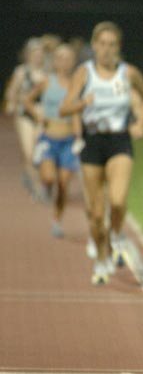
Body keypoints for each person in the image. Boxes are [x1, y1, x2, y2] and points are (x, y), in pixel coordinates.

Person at [60, 21, 143, 285]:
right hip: (92, 142)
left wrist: (140, 121)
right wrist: (83, 103)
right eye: (101, 44)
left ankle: (115, 235)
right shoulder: (84, 73)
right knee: (95, 212)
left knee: (117, 201)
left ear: (118, 47)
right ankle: (102, 258)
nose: (106, 49)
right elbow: (65, 108)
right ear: (94, 46)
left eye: (111, 44)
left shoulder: (128, 73)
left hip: (119, 141)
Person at [24, 43, 81, 238]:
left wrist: (80, 132)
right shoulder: (47, 82)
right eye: (61, 58)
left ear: (73, 62)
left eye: (68, 58)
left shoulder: (77, 83)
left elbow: (81, 109)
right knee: (49, 178)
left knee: (64, 185)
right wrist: (38, 115)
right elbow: (28, 100)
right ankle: (46, 187)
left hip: (68, 140)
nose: (65, 62)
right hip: (49, 138)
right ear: (55, 61)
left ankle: (57, 220)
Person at [3, 37, 47, 198]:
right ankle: (37, 187)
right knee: (29, 151)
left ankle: (36, 178)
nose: (38, 55)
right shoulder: (22, 72)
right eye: (34, 52)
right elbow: (11, 92)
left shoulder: (48, 72)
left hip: (42, 116)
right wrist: (12, 103)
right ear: (28, 54)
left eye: (40, 52)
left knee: (40, 152)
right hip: (25, 115)